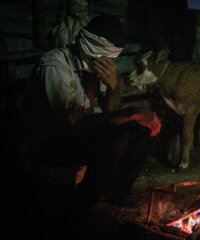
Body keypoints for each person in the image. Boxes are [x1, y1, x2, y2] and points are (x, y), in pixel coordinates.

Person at [22, 15, 161, 238]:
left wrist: (113, 87)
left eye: (110, 57)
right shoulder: (55, 66)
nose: (106, 61)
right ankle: (81, 207)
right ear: (88, 45)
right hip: (49, 143)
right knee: (113, 137)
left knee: (143, 131)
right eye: (102, 54)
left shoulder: (95, 70)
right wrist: (130, 113)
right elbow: (71, 123)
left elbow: (110, 113)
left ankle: (115, 194)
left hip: (77, 134)